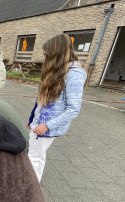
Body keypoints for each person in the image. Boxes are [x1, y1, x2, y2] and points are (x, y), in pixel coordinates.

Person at [27, 34, 87, 182]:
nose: (43, 58)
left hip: (46, 126)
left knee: (32, 158)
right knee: (39, 156)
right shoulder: (58, 71)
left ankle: (28, 192)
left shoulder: (73, 76)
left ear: (56, 55)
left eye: (46, 55)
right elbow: (41, 100)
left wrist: (47, 125)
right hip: (40, 123)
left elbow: (73, 109)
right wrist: (32, 118)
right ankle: (35, 186)